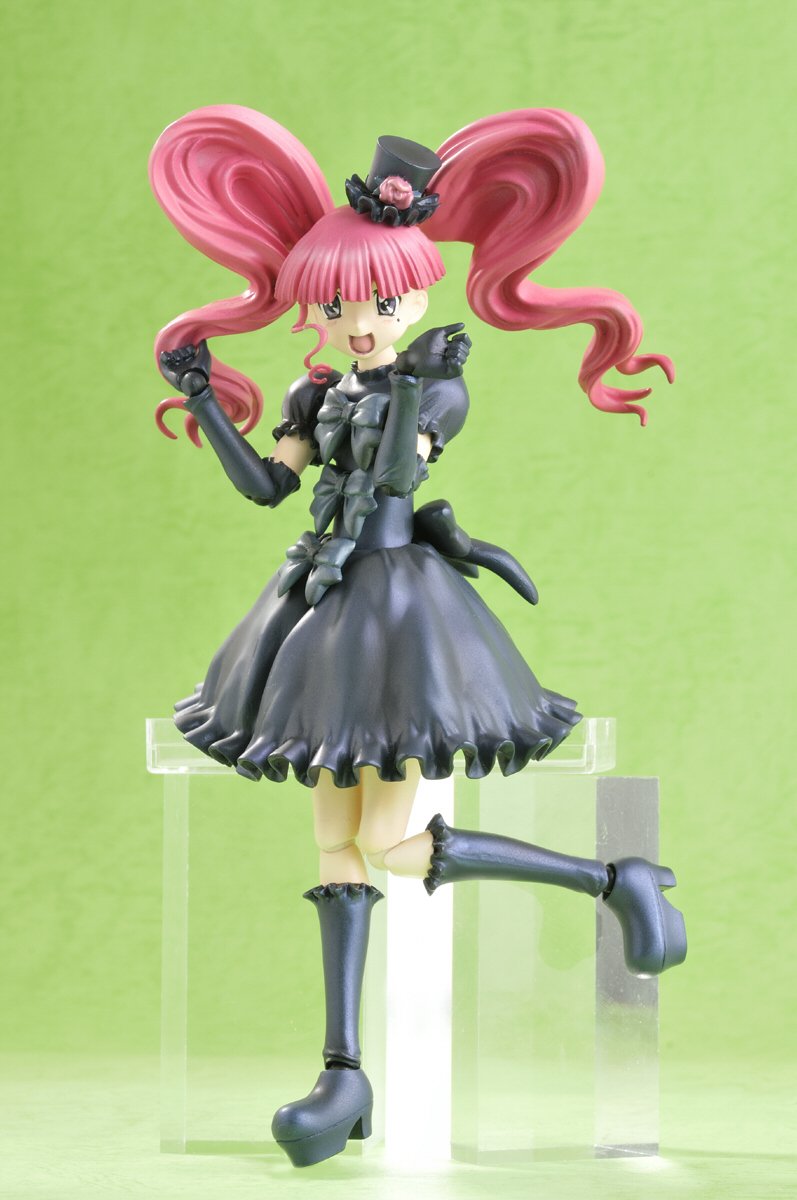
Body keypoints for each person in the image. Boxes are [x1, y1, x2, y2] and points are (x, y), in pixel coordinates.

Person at [151, 105, 686, 1168]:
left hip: (395, 616)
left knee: (394, 845)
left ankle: (611, 880)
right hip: (315, 610)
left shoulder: (435, 384)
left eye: (382, 300)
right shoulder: (314, 389)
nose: (360, 321)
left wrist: (408, 387)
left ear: (418, 292)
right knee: (333, 845)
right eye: (339, 303)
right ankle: (340, 1073)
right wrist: (206, 403)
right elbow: (267, 487)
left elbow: (397, 477)